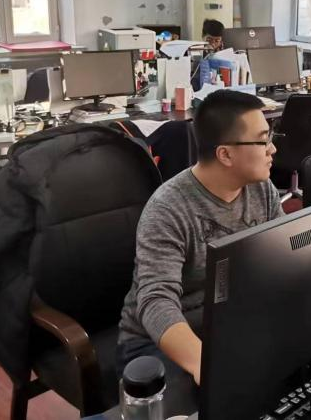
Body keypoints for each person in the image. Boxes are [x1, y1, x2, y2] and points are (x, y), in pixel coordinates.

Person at [117, 89, 281, 412]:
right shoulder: (169, 209)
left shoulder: (262, 190)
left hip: (225, 324)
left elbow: (280, 257)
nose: (272, 149)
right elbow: (156, 301)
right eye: (263, 140)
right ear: (225, 155)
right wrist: (206, 364)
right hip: (157, 341)